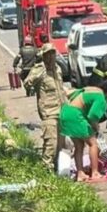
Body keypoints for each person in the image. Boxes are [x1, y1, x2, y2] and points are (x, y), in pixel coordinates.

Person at [59, 80, 107, 182]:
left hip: (65, 113)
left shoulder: (92, 89)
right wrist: (96, 128)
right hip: (76, 116)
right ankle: (95, 172)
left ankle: (80, 173)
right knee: (93, 144)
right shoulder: (101, 97)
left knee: (79, 146)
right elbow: (92, 116)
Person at [24, 43, 66, 171]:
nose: (51, 57)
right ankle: (46, 168)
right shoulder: (40, 69)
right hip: (49, 112)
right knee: (51, 143)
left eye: (53, 53)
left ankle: (57, 169)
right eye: (48, 54)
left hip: (62, 111)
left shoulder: (57, 69)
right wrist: (34, 81)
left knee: (61, 144)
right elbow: (27, 83)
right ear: (43, 56)